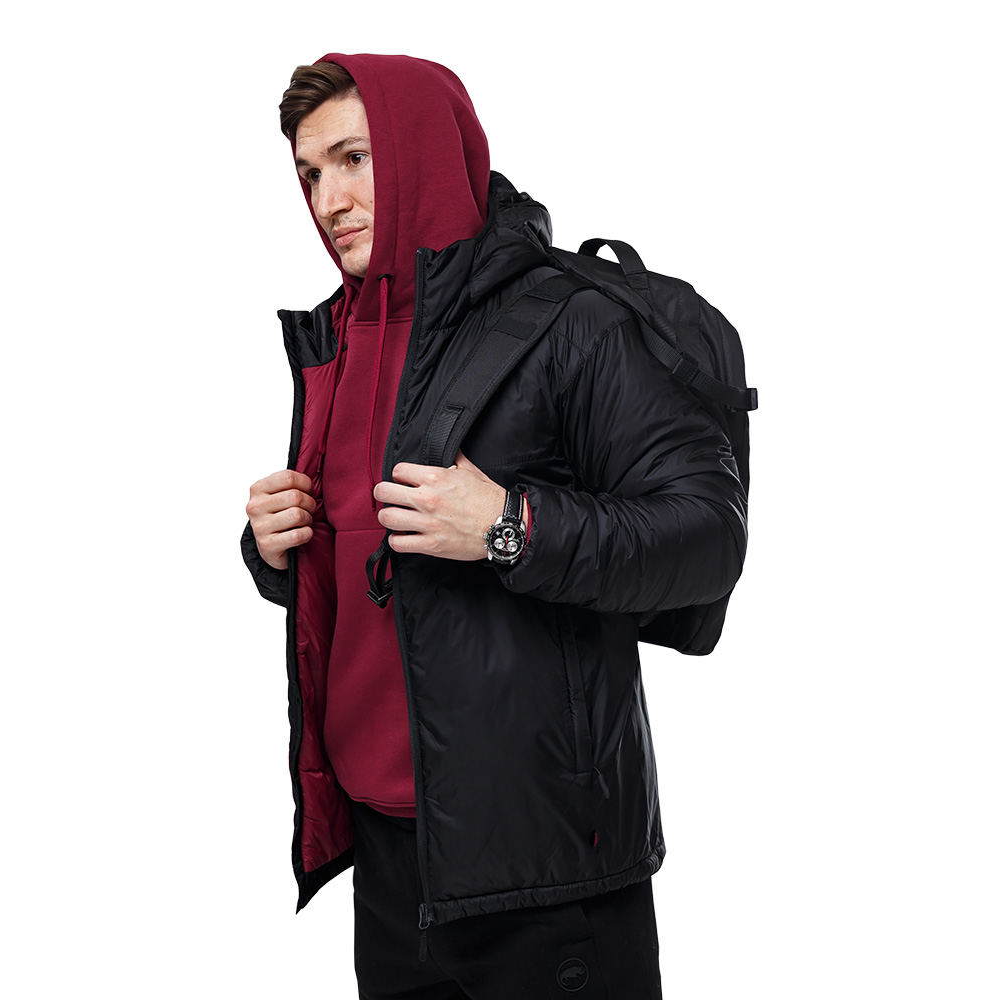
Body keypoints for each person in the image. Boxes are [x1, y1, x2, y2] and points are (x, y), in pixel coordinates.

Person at [242, 52, 747, 999]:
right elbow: (368, 569)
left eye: (354, 159)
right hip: (389, 868)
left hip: (548, 878)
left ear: (423, 152)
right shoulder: (337, 338)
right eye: (309, 173)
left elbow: (706, 535)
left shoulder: (571, 322)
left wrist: (511, 526)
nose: (329, 199)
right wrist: (276, 548)